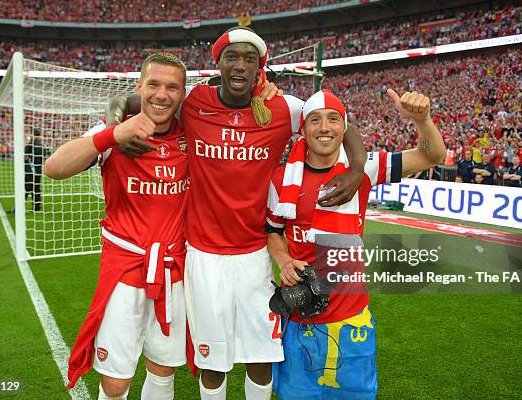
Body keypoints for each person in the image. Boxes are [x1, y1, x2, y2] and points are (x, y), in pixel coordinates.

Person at [107, 27, 367, 400]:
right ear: (218, 64)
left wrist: (357, 169)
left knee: (260, 359)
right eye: (232, 57)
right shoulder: (194, 101)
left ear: (261, 67)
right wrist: (117, 126)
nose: (240, 65)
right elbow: (129, 102)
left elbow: (340, 122)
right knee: (213, 363)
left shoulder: (282, 109)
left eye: (249, 58)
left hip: (253, 254)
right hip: (203, 255)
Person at [266, 89, 445, 400]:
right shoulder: (281, 178)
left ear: (344, 126)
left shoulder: (365, 168)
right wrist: (283, 261)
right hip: (299, 316)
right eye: (315, 120)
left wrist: (423, 120)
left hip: (351, 317)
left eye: (333, 119)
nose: (324, 127)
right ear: (303, 128)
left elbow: (432, 155)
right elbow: (273, 231)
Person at [45, 52, 189, 400]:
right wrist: (111, 134)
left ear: (182, 94)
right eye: (153, 84)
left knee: (163, 368)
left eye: (172, 87)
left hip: (174, 270)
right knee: (114, 382)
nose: (161, 94)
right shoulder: (116, 130)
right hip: (124, 270)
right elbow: (53, 167)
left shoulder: (192, 134)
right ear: (140, 87)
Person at [24, 128, 50, 211]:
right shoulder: (42, 146)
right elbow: (45, 159)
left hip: (29, 170)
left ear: (33, 135)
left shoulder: (30, 145)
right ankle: (37, 206)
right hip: (38, 170)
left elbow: (24, 157)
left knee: (25, 188)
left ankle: (18, 207)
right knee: (36, 188)